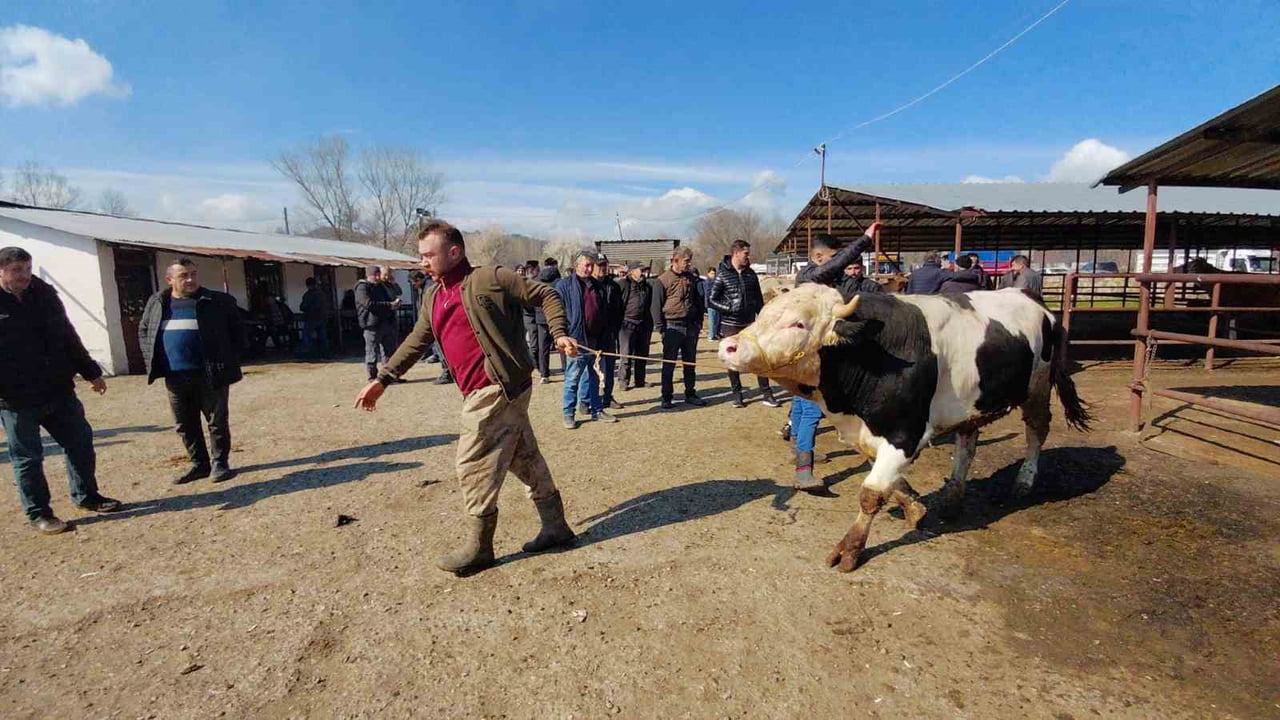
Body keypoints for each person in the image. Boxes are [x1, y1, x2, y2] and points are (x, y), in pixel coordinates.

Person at [355, 219, 579, 576]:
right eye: (421, 255)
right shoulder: (433, 295)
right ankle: (556, 526)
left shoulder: (491, 278)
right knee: (523, 456)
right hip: (482, 391)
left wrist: (560, 333)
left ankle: (480, 547)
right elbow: (417, 340)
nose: (423, 262)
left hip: (498, 388)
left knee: (471, 463)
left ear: (454, 251)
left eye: (429, 255)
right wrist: (383, 378)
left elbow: (546, 295)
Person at [0, 247, 122, 534]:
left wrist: (91, 371)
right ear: (1, 271)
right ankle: (39, 513)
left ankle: (87, 496)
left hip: (57, 388)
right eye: (17, 270)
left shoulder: (44, 295)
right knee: (28, 458)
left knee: (80, 442)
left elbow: (67, 334)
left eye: (28, 269)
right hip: (15, 398)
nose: (24, 276)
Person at [139, 258, 245, 485]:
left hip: (209, 372)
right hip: (175, 375)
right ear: (170, 280)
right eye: (183, 276)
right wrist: (153, 359)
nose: (190, 280)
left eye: (193, 274)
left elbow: (238, 332)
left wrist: (227, 359)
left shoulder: (216, 301)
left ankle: (220, 463)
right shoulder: (158, 302)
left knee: (216, 420)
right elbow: (145, 329)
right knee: (185, 423)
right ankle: (199, 464)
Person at [790, 226, 878, 491]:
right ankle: (803, 471)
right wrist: (865, 240)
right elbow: (837, 266)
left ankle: (797, 447)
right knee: (810, 410)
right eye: (833, 257)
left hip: (822, 354)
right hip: (807, 354)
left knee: (801, 403)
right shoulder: (809, 276)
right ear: (818, 258)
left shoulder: (831, 282)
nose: (842, 265)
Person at [709, 240, 780, 408]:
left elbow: (758, 299)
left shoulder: (751, 274)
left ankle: (767, 393)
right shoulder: (722, 274)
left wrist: (763, 318)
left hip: (750, 323)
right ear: (736, 253)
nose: (748, 256)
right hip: (730, 324)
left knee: (759, 358)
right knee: (732, 359)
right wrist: (729, 308)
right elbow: (712, 299)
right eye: (746, 253)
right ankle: (737, 395)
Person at [555, 251, 617, 428]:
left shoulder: (597, 286)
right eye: (586, 265)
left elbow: (603, 312)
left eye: (592, 265)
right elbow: (558, 313)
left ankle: (596, 410)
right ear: (577, 266)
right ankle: (568, 414)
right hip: (576, 341)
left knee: (595, 377)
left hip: (596, 340)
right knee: (572, 379)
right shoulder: (564, 286)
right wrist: (564, 336)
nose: (590, 269)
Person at [655, 247, 708, 410]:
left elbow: (698, 302)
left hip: (691, 327)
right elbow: (656, 307)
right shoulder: (662, 280)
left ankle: (690, 393)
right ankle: (666, 396)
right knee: (669, 364)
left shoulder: (692, 278)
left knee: (690, 363)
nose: (689, 263)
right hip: (672, 327)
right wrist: (661, 329)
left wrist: (698, 323)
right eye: (686, 260)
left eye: (689, 260)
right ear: (675, 260)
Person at [592, 255, 625, 411]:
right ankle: (588, 400)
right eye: (599, 265)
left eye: (604, 265)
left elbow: (619, 311)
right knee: (590, 370)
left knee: (610, 368)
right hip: (591, 335)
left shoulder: (614, 286)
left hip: (609, 334)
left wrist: (615, 330)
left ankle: (607, 397)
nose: (602, 268)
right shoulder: (587, 285)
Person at [355, 267, 399, 381]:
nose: (378, 277)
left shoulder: (381, 286)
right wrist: (389, 305)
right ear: (369, 275)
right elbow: (368, 304)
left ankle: (389, 376)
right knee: (372, 352)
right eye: (376, 275)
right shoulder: (362, 288)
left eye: (379, 274)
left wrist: (394, 302)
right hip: (371, 325)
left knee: (389, 351)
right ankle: (372, 377)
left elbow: (392, 295)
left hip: (385, 322)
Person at [618, 261, 654, 390]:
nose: (644, 272)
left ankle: (640, 380)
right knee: (626, 356)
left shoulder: (647, 287)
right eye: (641, 270)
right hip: (626, 325)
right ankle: (623, 381)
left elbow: (650, 306)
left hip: (643, 325)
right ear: (632, 271)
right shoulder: (623, 284)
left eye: (645, 270)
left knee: (642, 355)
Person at [534, 258, 563, 384]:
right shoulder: (560, 282)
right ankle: (567, 370)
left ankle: (544, 374)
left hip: (541, 318)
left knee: (543, 347)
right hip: (557, 317)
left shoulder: (537, 281)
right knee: (561, 344)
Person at [298, 276, 332, 358]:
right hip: (322, 317)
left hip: (311, 318)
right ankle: (325, 353)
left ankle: (309, 353)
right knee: (322, 336)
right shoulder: (322, 294)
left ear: (308, 285)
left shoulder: (308, 295)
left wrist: (307, 308)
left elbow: (303, 307)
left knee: (307, 335)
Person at [703, 268, 721, 341]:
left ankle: (715, 334)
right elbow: (707, 294)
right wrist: (707, 304)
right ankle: (711, 335)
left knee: (716, 320)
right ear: (708, 274)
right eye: (711, 273)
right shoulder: (707, 282)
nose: (713, 275)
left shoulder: (716, 282)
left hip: (716, 303)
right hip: (710, 304)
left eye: (714, 273)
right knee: (712, 320)